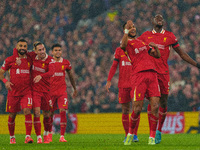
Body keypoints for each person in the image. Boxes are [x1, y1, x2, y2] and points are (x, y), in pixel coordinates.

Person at [137, 14, 200, 144]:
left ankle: (159, 130)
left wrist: (197, 64)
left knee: (163, 103)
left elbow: (181, 54)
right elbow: (134, 48)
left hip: (164, 74)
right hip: (151, 74)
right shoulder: (145, 36)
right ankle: (152, 133)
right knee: (153, 103)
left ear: (164, 22)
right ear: (152, 21)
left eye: (161, 17)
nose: (159, 18)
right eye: (156, 17)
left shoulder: (170, 36)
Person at [120, 20, 161, 145]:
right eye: (130, 27)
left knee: (155, 106)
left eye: (133, 26)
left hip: (152, 75)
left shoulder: (142, 42)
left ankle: (152, 137)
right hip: (139, 76)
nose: (133, 28)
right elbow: (122, 46)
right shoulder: (126, 43)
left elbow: (157, 56)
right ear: (125, 30)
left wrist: (156, 48)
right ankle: (130, 134)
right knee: (137, 109)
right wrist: (126, 31)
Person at [0, 39, 33, 144]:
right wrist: (5, 81)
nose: (23, 48)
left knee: (27, 111)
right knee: (12, 115)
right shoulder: (10, 60)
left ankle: (28, 137)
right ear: (17, 47)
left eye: (24, 46)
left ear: (27, 48)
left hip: (26, 91)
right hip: (13, 93)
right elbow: (1, 73)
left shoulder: (30, 59)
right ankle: (12, 137)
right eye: (21, 46)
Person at [105, 47, 139, 142]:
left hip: (135, 84)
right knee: (125, 110)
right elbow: (114, 66)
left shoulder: (136, 48)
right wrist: (109, 80)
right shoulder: (119, 50)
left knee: (136, 109)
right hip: (123, 85)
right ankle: (126, 134)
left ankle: (134, 134)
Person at [48, 43, 77, 142]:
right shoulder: (48, 62)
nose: (58, 52)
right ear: (52, 52)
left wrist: (74, 88)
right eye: (55, 50)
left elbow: (71, 76)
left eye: (59, 50)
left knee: (63, 111)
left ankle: (62, 136)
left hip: (62, 92)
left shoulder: (66, 62)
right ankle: (49, 133)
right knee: (50, 113)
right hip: (50, 92)